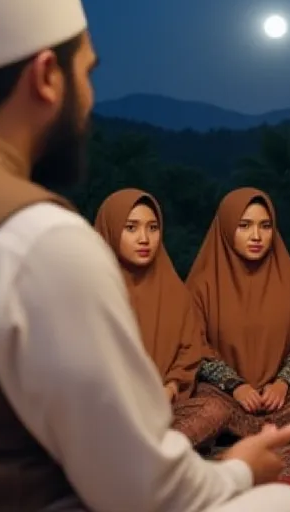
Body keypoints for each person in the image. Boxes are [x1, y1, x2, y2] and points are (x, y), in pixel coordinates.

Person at [0, 0, 290, 511]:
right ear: (47, 77)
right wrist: (236, 472)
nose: (90, 99)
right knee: (283, 504)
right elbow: (143, 489)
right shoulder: (34, 235)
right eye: (86, 72)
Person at [189, 188, 290, 441]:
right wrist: (237, 387)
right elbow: (196, 348)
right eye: (244, 226)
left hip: (278, 397)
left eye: (265, 226)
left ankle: (238, 431)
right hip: (226, 395)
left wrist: (281, 384)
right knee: (205, 402)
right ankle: (277, 431)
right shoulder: (201, 285)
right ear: (225, 228)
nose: (256, 236)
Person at [95, 188, 231, 446]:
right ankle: (155, 452)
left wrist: (169, 388)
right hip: (108, 411)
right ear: (111, 230)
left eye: (153, 228)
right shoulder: (91, 289)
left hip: (163, 409)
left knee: (214, 409)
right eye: (131, 228)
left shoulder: (175, 292)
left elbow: (189, 353)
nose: (144, 238)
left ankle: (141, 451)